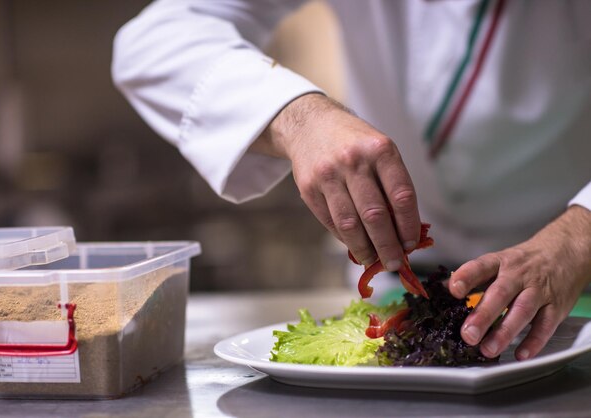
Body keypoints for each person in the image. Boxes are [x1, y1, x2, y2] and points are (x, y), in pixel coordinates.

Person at [111, 0, 591, 361]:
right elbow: (155, 40)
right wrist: (298, 116)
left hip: (573, 281)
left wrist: (577, 240)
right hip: (399, 289)